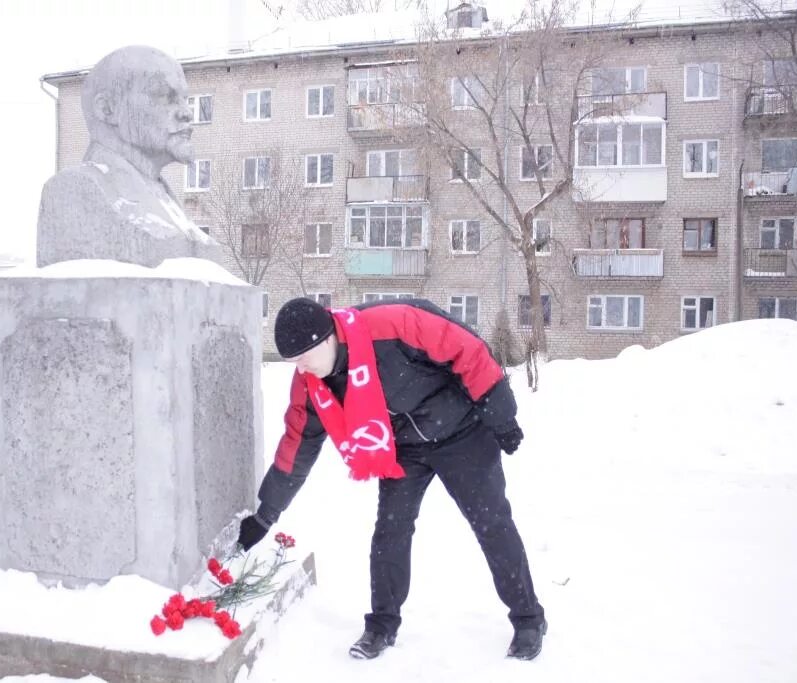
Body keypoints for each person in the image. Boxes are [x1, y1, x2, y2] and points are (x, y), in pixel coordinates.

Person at [237, 297, 546, 661]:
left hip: (462, 430)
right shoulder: (311, 384)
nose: (300, 367)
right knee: (390, 531)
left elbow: (467, 348)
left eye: (304, 357)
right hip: (402, 449)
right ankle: (381, 626)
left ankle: (528, 619)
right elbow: (297, 444)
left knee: (491, 523)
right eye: (293, 362)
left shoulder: (389, 324)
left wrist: (501, 416)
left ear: (326, 339)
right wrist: (265, 515)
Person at [36, 45, 220, 269]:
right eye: (164, 96)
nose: (186, 113)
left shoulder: (163, 195)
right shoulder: (75, 189)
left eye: (184, 99)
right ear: (108, 109)